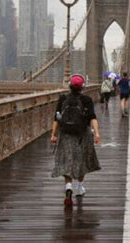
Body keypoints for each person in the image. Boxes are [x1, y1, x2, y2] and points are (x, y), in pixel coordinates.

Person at [51, 74, 101, 208]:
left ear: (70, 87)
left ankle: (68, 187)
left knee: (67, 161)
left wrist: (53, 135)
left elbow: (56, 118)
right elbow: (93, 118)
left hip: (65, 134)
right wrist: (96, 133)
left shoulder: (63, 99)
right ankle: (79, 187)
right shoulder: (87, 100)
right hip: (82, 134)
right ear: (82, 87)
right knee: (82, 161)